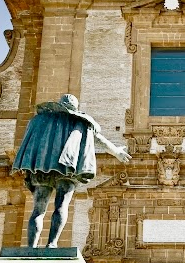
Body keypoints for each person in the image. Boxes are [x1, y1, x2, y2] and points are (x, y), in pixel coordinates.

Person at [12, 94, 131, 248]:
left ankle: (31, 248)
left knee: (38, 209)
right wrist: (117, 152)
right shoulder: (80, 121)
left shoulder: (40, 119)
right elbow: (98, 139)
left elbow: (29, 141)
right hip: (67, 168)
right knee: (61, 205)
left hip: (42, 168)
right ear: (75, 107)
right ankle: (52, 244)